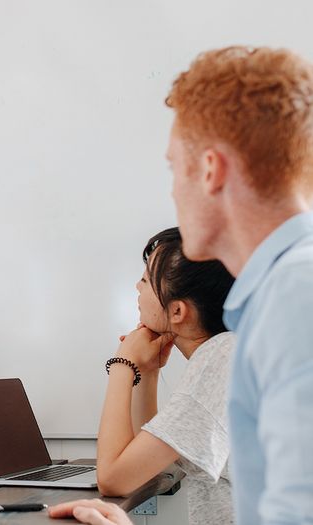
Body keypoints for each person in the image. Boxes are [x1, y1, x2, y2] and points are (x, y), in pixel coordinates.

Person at [51, 45, 313, 525]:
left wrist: (124, 365)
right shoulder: (278, 298)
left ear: (211, 170)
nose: (173, 191)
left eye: (174, 168)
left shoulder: (292, 299)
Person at [53, 227, 235, 525]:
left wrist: (122, 364)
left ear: (177, 311)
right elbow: (143, 464)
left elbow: (114, 479)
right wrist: (147, 372)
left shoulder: (221, 359)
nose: (137, 287)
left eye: (146, 280)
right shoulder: (225, 352)